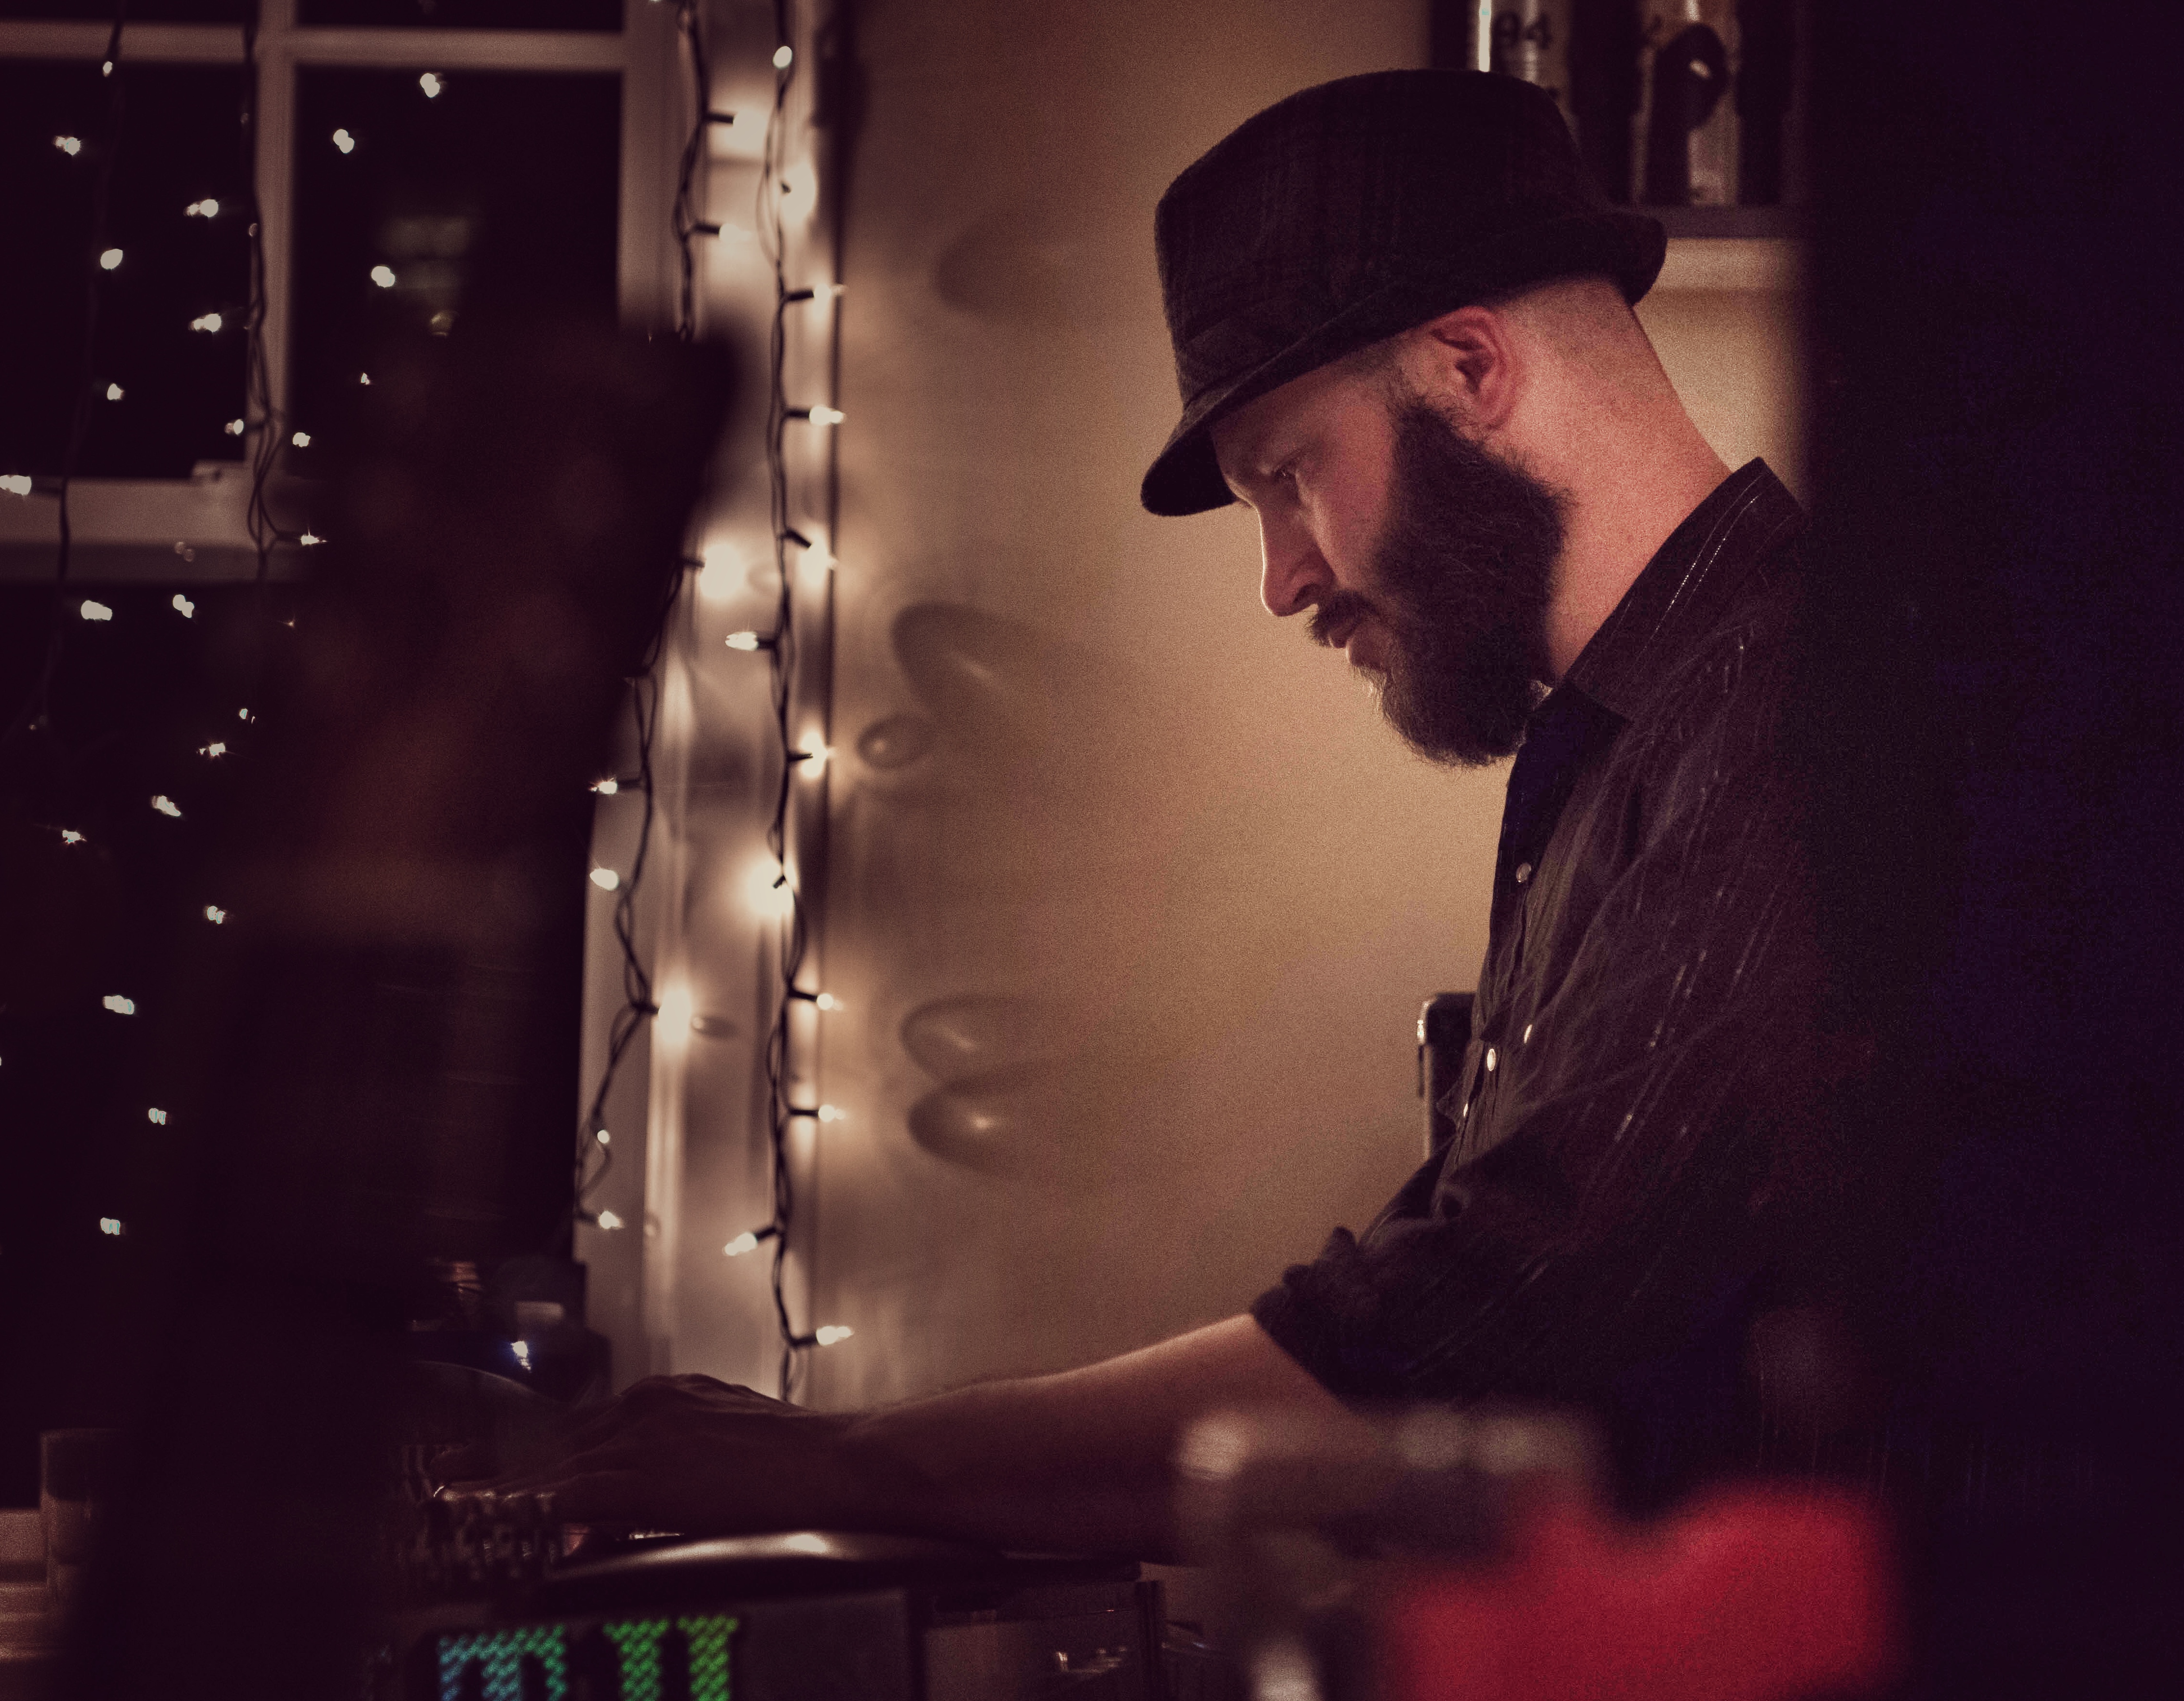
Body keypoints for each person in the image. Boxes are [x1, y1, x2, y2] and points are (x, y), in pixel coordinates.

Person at [480, 71, 1861, 1557]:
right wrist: (855, 1470)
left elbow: (1487, 1329)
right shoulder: (1631, 739)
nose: (1282, 577)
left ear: (1468, 367)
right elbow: (1410, 1373)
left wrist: (848, 1463)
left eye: (1289, 474)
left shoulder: (1801, 704)